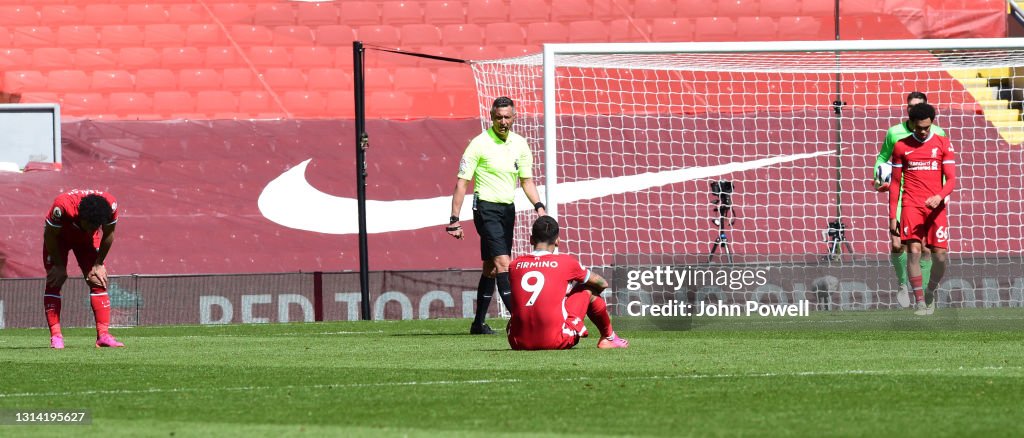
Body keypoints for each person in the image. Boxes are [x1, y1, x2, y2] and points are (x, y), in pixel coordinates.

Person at [447, 96, 546, 335]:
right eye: (498, 117)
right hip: (485, 209)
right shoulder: (478, 144)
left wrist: (540, 208)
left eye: (507, 117)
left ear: (514, 118)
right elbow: (462, 182)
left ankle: (478, 324)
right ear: (491, 117)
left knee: (491, 268)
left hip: (507, 209)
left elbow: (526, 181)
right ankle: (523, 322)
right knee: (504, 263)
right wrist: (454, 219)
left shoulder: (520, 144)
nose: (503, 121)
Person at [507, 216, 628, 350]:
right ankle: (608, 337)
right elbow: (602, 283)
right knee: (587, 288)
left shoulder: (514, 265)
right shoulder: (566, 262)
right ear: (557, 241)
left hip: (517, 341)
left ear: (531, 239)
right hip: (556, 340)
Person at [873, 91, 947, 308]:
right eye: (911, 108)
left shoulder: (938, 134)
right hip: (903, 196)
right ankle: (902, 285)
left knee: (925, 248)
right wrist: (878, 179)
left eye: (919, 106)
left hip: (929, 198)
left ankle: (922, 293)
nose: (914, 110)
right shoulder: (894, 133)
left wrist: (942, 194)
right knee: (897, 245)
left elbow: (942, 166)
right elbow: (882, 158)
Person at [887, 103, 955, 316]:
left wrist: (940, 196)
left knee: (940, 257)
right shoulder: (900, 146)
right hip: (910, 205)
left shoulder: (943, 143)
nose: (923, 131)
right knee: (913, 252)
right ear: (912, 125)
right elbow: (896, 184)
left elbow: (952, 179)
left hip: (935, 208)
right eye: (919, 128)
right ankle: (920, 303)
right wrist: (892, 217)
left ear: (932, 123)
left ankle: (930, 291)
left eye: (927, 127)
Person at [43, 189, 124, 348]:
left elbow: (109, 234)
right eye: (88, 225)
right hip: (58, 238)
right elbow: (49, 235)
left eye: (95, 226)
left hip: (86, 242)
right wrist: (59, 265)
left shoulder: (110, 206)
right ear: (80, 215)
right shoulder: (63, 206)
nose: (90, 228)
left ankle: (103, 335)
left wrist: (99, 263)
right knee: (55, 279)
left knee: (97, 280)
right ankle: (56, 336)